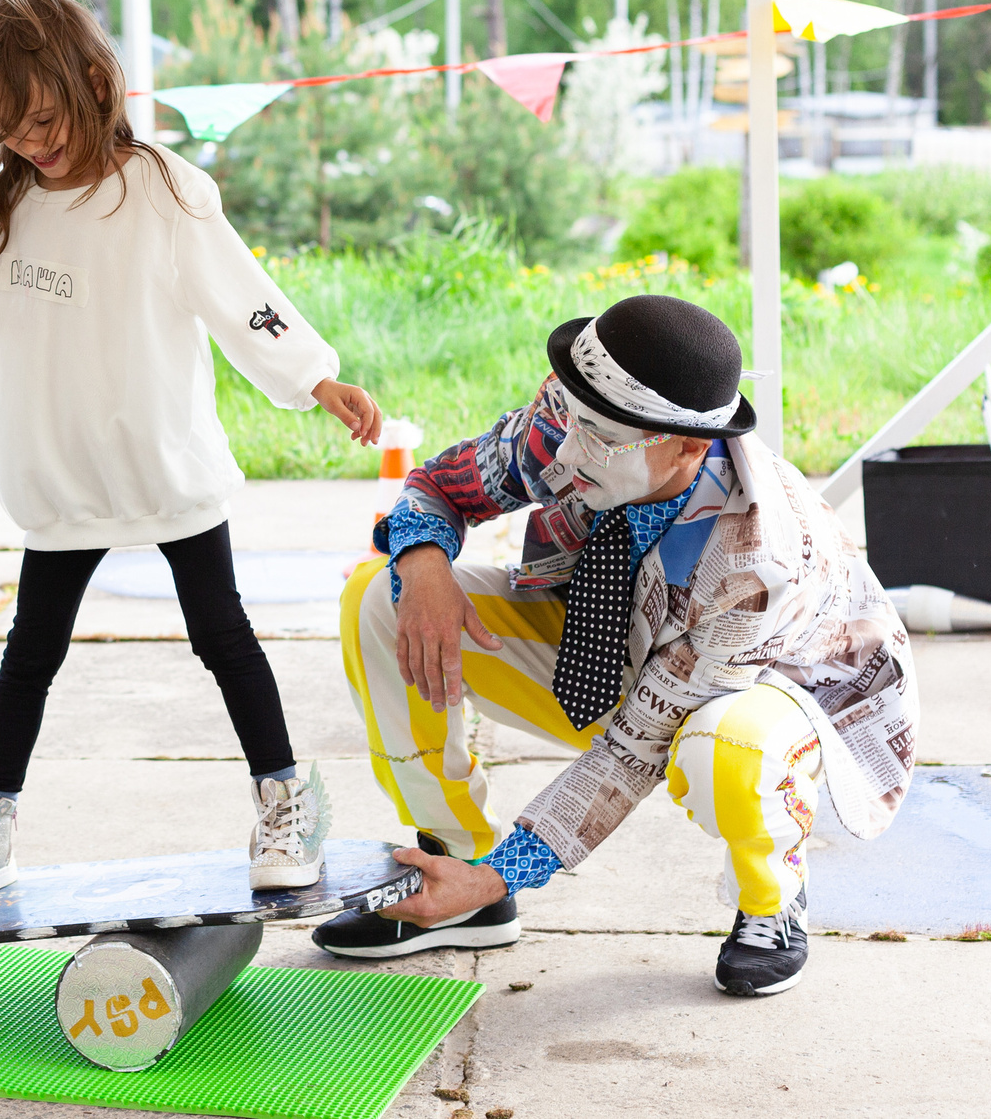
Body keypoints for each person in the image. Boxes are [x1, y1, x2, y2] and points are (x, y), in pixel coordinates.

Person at [0, 0, 384, 905]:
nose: (31, 141)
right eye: (9, 127)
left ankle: (287, 795)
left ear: (94, 82)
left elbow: (244, 297)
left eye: (44, 118)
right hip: (61, 470)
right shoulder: (15, 202)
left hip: (161, 460)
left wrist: (317, 377)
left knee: (221, 633)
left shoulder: (164, 190)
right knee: (31, 650)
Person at [315, 294, 915, 997]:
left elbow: (634, 751)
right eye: (570, 419)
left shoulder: (756, 559)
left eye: (599, 436)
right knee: (377, 599)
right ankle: (457, 870)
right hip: (608, 636)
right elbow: (442, 485)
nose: (567, 451)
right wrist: (419, 561)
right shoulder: (580, 416)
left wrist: (513, 865)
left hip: (761, 689)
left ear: (689, 446)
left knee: (727, 751)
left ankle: (771, 895)